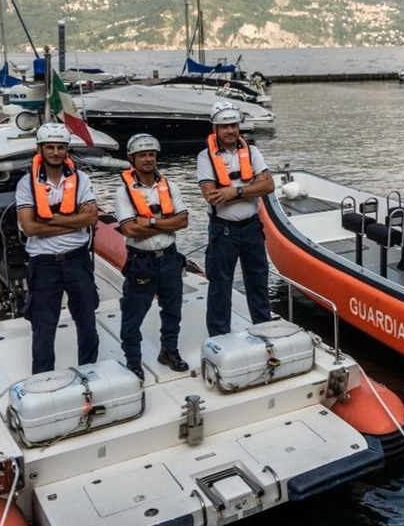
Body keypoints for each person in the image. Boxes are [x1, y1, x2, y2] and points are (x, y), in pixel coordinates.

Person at [15, 123, 100, 375]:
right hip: (44, 263)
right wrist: (73, 221)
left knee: (86, 318)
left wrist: (49, 219)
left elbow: (91, 219)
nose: (55, 152)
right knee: (43, 324)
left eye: (60, 147)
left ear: (67, 150)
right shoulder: (26, 184)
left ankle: (90, 370)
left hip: (77, 260)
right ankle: (43, 376)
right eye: (50, 147)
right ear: (40, 149)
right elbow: (29, 227)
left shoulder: (81, 179)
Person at [115, 133, 190, 380]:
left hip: (169, 257)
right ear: (132, 158)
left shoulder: (171, 187)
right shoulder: (123, 192)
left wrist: (148, 221)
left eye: (151, 154)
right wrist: (166, 223)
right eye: (142, 155)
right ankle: (133, 360)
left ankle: (169, 351)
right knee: (133, 313)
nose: (148, 159)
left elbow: (183, 220)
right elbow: (129, 229)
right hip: (141, 261)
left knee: (173, 309)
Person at [198, 101, 274, 336]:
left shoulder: (252, 152)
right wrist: (251, 187)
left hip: (251, 228)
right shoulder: (205, 158)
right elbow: (212, 196)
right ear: (215, 130)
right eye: (224, 127)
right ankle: (220, 337)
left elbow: (269, 185)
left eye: (233, 125)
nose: (230, 131)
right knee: (220, 287)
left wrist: (235, 191)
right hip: (224, 232)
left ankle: (265, 331)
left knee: (259, 283)